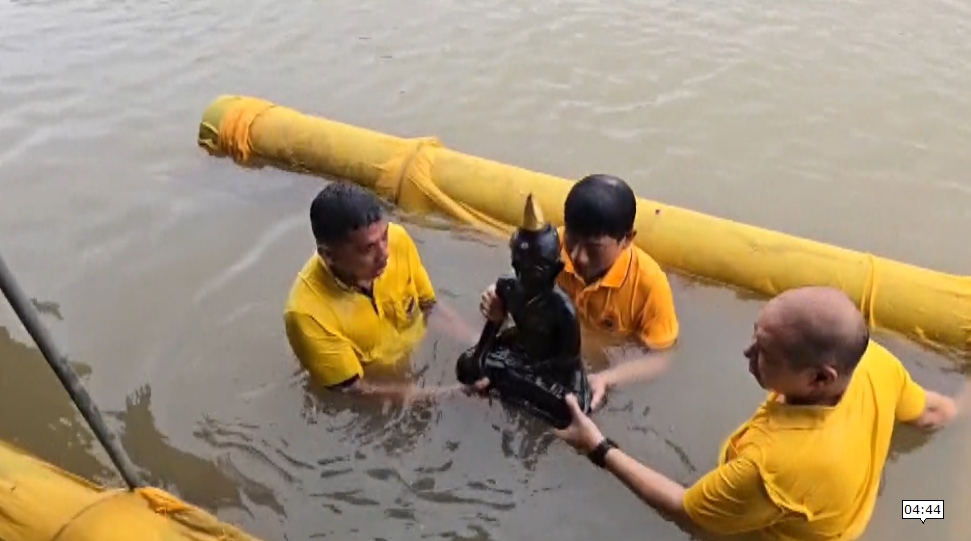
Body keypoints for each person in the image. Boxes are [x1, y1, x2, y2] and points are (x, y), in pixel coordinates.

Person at [552, 286, 965, 541]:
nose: (748, 354)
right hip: (864, 506)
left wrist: (598, 447)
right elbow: (934, 412)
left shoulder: (770, 464)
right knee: (926, 510)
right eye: (755, 337)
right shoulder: (876, 362)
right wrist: (964, 396)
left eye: (764, 353)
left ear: (820, 378)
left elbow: (690, 514)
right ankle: (934, 511)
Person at [480, 174, 679, 409]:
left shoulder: (649, 285)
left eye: (594, 249)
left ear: (626, 239)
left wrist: (607, 378)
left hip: (600, 364)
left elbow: (661, 358)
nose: (576, 257)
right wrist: (498, 305)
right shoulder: (552, 248)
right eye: (572, 240)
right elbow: (520, 286)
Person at [284, 182, 481, 403]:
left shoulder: (398, 240)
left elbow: (430, 308)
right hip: (371, 388)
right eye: (368, 248)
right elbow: (352, 389)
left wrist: (480, 344)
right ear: (329, 256)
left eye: (384, 237)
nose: (385, 253)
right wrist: (452, 394)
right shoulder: (306, 314)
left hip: (415, 357)